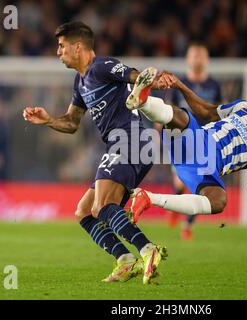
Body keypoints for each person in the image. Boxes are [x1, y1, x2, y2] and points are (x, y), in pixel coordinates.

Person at [22, 22, 168, 285]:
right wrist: (47, 120)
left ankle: (148, 250)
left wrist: (149, 79)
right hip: (124, 145)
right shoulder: (79, 82)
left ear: (78, 47)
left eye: (62, 46)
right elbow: (71, 123)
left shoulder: (101, 66)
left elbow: (136, 76)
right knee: (84, 211)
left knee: (103, 207)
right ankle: (125, 260)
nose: (58, 52)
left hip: (131, 140)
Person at [125, 67, 247, 222]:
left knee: (219, 201)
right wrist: (180, 85)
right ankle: (141, 101)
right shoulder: (246, 108)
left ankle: (148, 198)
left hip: (205, 169)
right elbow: (206, 111)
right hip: (199, 140)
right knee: (180, 116)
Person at [166, 43, 222, 240]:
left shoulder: (214, 86)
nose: (197, 59)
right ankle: (175, 205)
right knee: (180, 183)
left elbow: (217, 113)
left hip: (205, 141)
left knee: (200, 186)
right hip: (180, 140)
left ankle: (188, 225)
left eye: (201, 55)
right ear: (188, 59)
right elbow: (168, 112)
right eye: (194, 55)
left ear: (206, 60)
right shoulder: (178, 84)